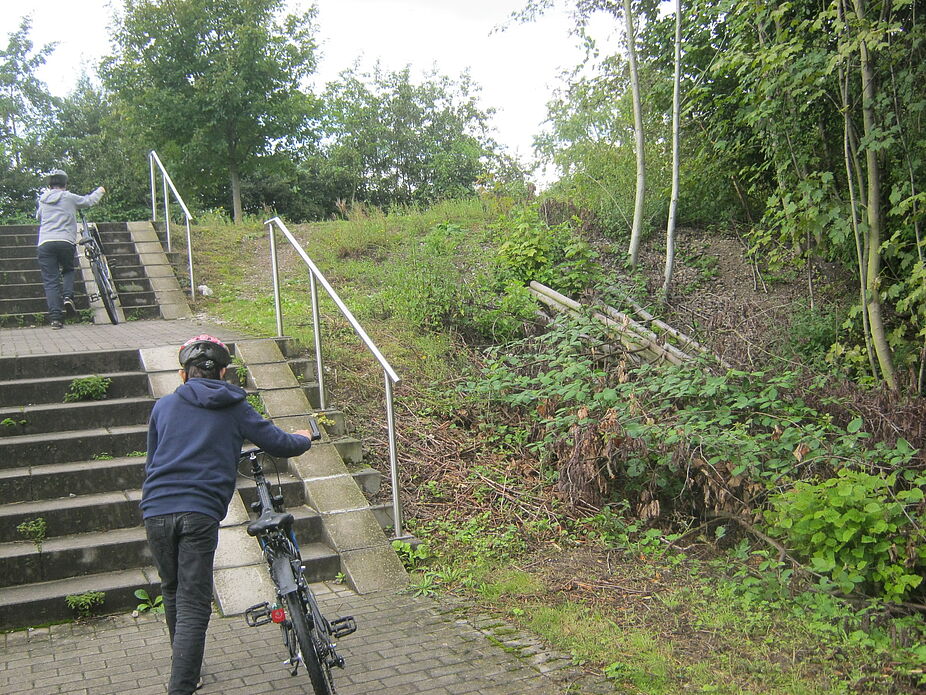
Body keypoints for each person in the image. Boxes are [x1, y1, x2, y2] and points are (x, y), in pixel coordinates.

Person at [141, 335, 314, 695]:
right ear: (222, 372)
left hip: (156, 508)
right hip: (199, 511)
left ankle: (188, 671)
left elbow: (152, 460)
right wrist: (304, 437)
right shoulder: (235, 406)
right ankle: (181, 685)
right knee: (193, 602)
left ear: (183, 374)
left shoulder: (164, 407)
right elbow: (279, 444)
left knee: (173, 589)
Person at [35, 169, 106, 329]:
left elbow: (39, 216)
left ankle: (56, 319)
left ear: (50, 185)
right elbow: (89, 201)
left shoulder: (43, 199)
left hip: (45, 243)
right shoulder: (69, 197)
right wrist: (100, 190)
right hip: (65, 241)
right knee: (68, 270)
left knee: (51, 281)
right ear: (65, 184)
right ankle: (68, 297)